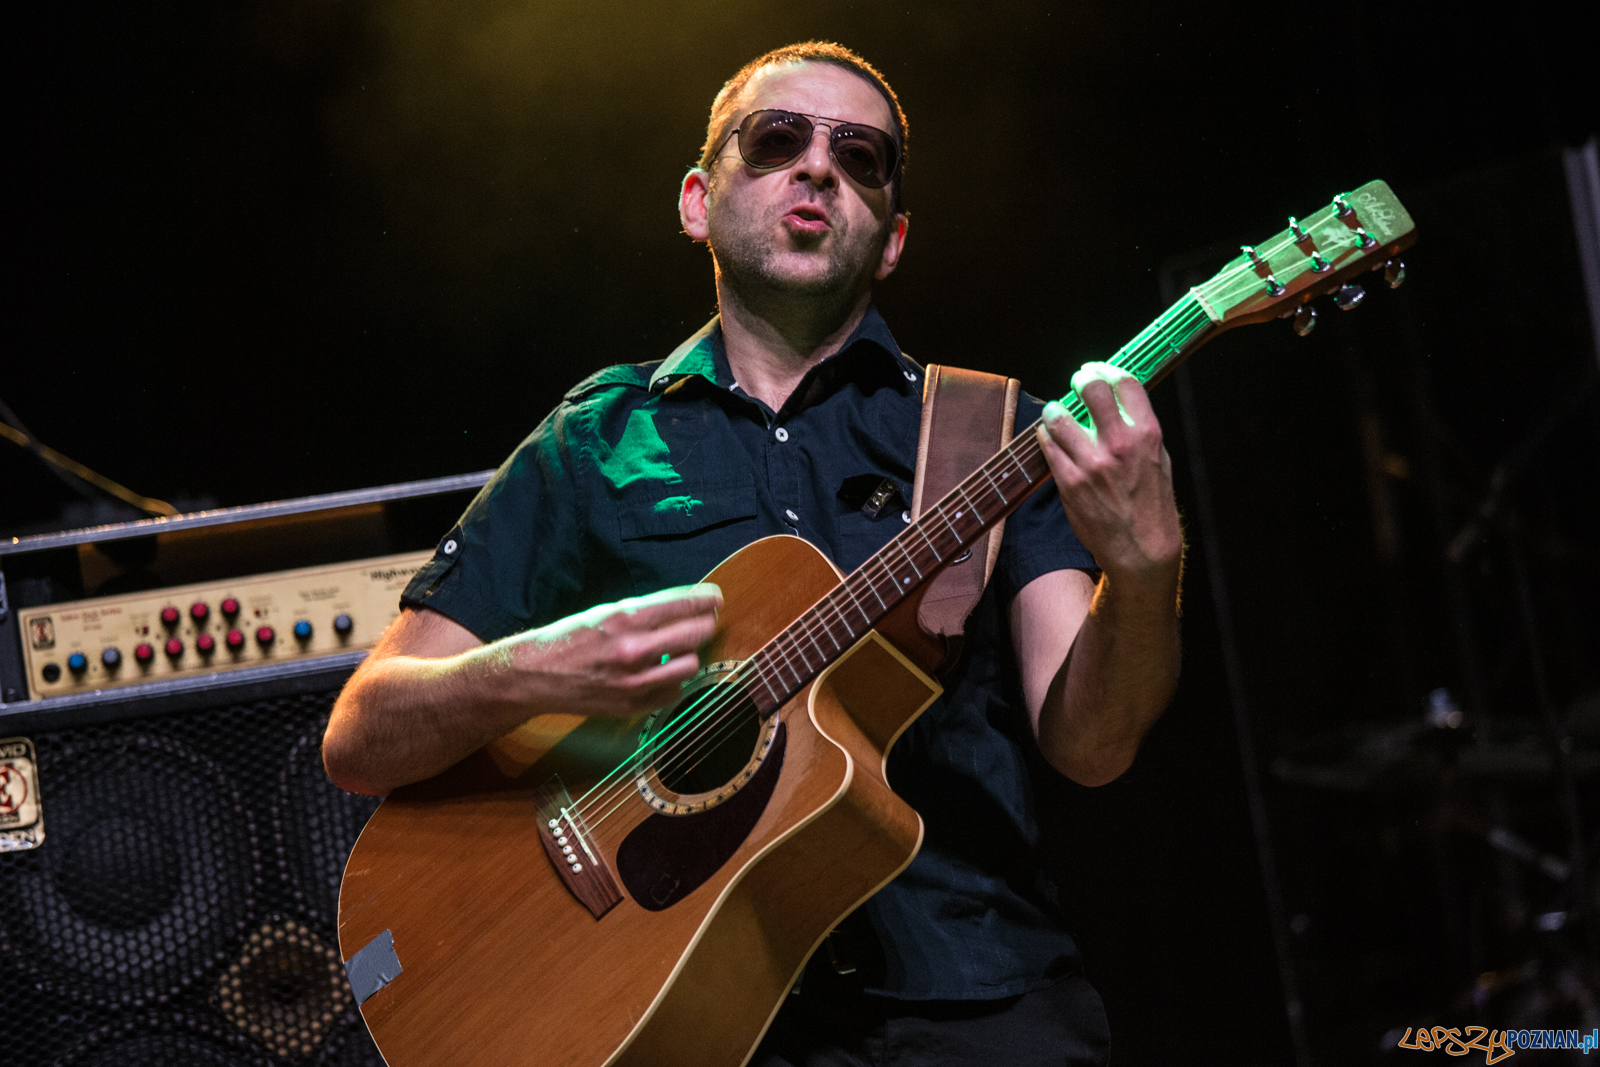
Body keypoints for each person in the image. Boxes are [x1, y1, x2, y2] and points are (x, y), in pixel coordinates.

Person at [323, 40, 1182, 1067]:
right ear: (698, 201)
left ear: (893, 238)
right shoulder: (595, 438)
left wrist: (1145, 572)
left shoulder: (989, 434)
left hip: (973, 997)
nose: (818, 167)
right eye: (776, 140)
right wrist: (531, 670)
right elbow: (361, 737)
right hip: (682, 1006)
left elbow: (1094, 745)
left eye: (861, 157)